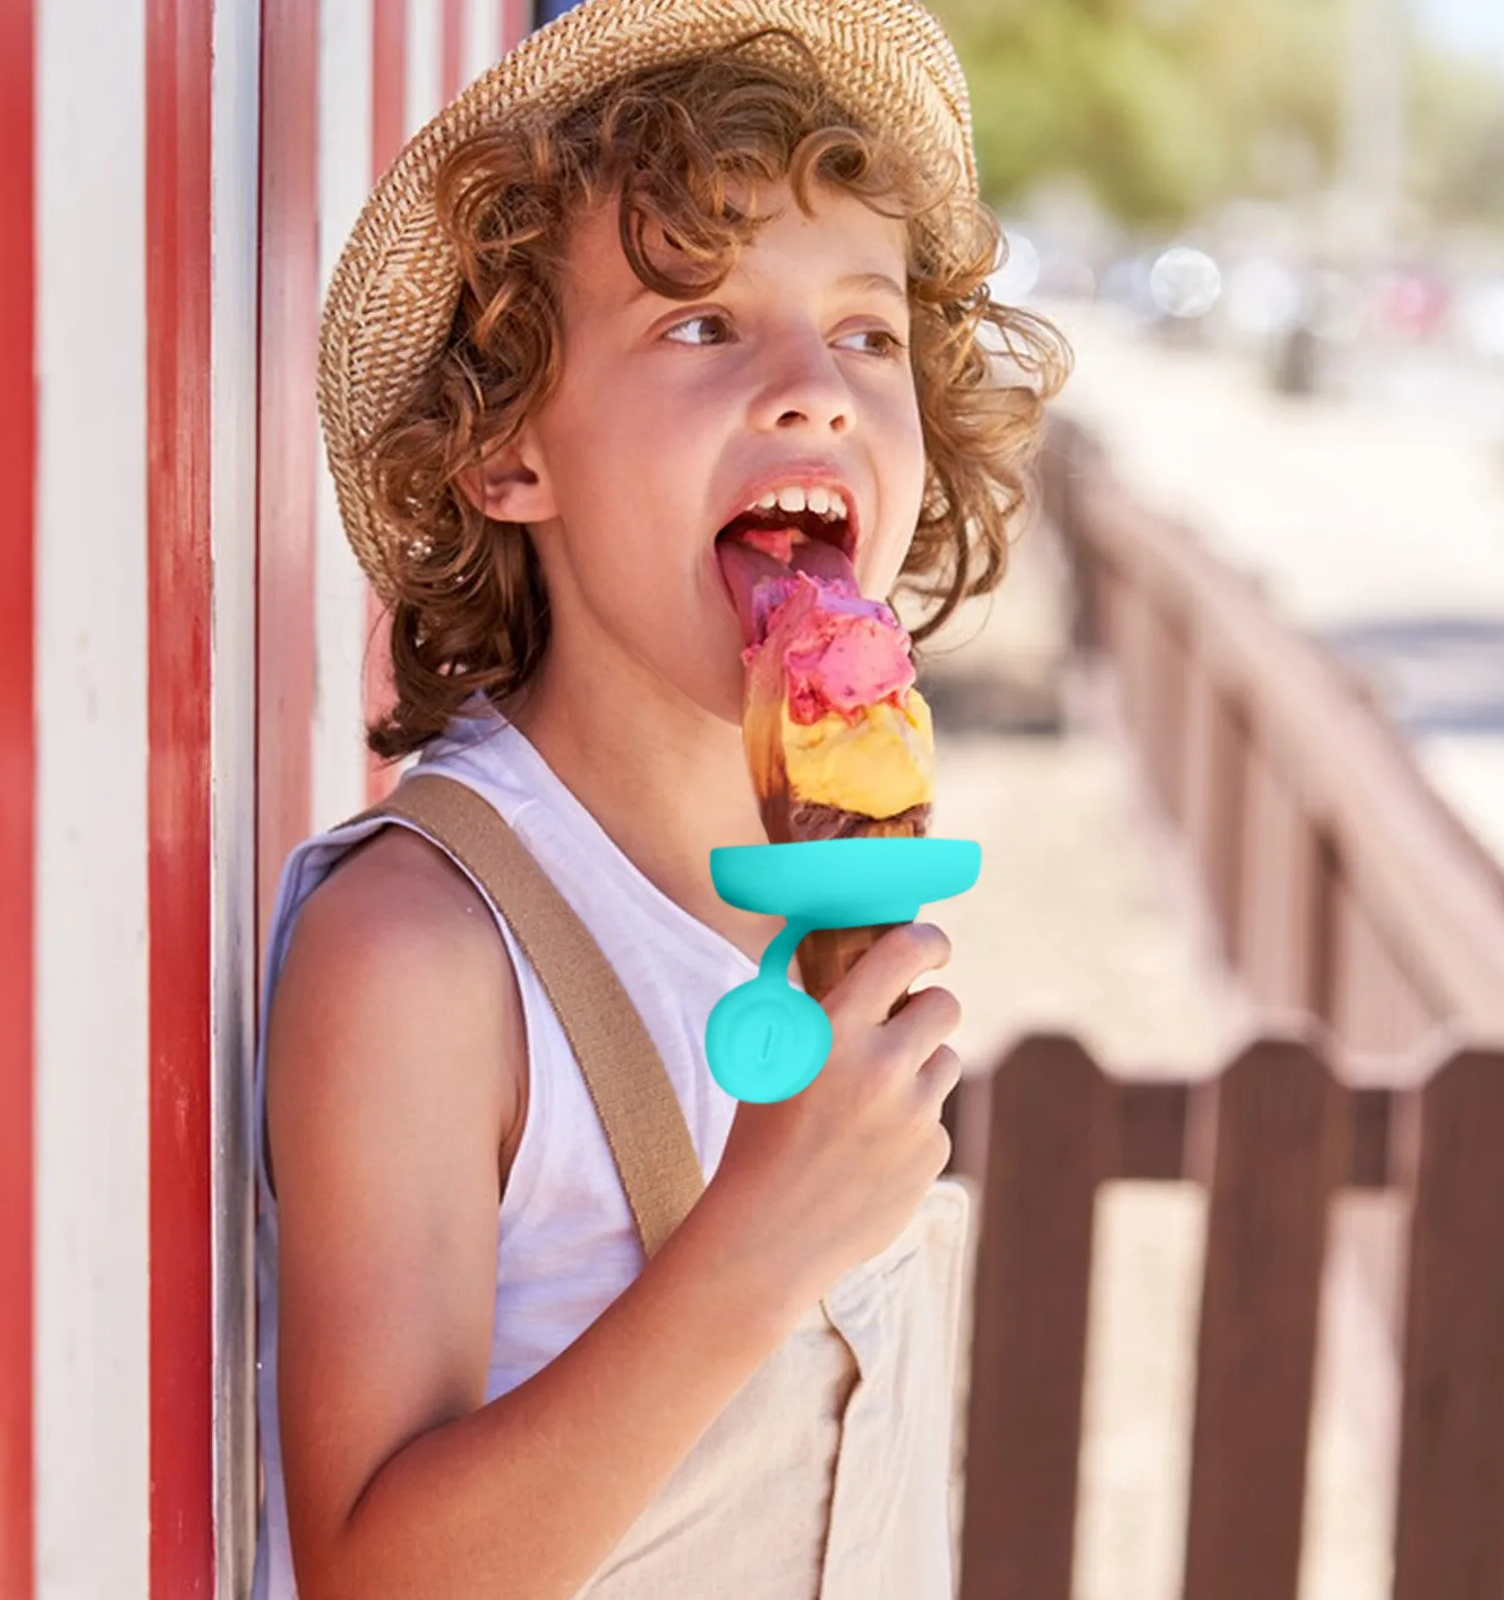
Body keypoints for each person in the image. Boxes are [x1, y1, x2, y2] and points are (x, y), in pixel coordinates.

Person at [253, 3, 1071, 1597]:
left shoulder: (816, 894)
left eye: (869, 330)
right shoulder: (423, 950)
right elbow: (375, 1572)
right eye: (700, 324)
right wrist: (764, 1235)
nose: (816, 390)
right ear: (504, 451)